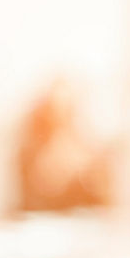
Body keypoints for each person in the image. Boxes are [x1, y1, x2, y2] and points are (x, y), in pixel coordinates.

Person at [15, 80, 109, 212]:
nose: (61, 109)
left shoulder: (83, 142)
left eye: (67, 103)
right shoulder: (32, 143)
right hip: (42, 216)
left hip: (77, 217)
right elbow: (34, 187)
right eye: (58, 103)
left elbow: (98, 192)